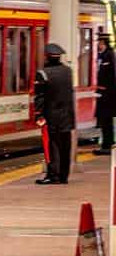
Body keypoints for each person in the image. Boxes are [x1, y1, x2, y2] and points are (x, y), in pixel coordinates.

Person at [34, 43, 75, 185]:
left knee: (51, 146)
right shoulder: (68, 71)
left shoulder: (42, 73)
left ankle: (52, 175)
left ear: (46, 57)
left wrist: (38, 114)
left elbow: (40, 97)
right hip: (67, 116)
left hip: (51, 117)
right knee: (65, 147)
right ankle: (64, 176)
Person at [94, 33, 114, 154]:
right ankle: (106, 144)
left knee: (107, 120)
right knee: (104, 120)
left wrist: (105, 90)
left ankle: (107, 145)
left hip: (108, 95)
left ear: (104, 43)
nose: (98, 44)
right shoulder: (102, 55)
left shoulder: (109, 56)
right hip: (103, 93)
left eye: (99, 42)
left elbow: (110, 77)